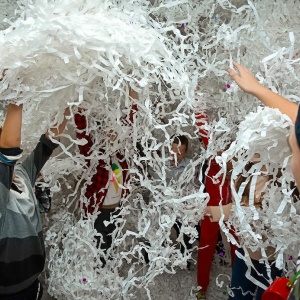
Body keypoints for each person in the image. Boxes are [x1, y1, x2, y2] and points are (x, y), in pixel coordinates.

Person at [227, 61, 300, 299]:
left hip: (272, 259)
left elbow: (281, 223)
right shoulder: (242, 174)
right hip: (246, 255)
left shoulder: (284, 181)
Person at [0, 102, 70, 299]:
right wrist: (17, 101)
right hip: (8, 291)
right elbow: (8, 152)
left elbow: (47, 144)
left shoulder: (22, 173)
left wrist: (68, 104)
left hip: (33, 282)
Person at [74, 88, 138, 265]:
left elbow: (130, 123)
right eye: (109, 132)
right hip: (99, 211)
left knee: (110, 245)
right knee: (96, 247)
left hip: (116, 209)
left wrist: (134, 97)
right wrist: (81, 103)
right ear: (102, 134)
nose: (113, 135)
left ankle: (106, 270)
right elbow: (82, 133)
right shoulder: (95, 158)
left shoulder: (122, 157)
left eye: (115, 132)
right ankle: (96, 273)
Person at [195, 110, 237, 300]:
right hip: (211, 210)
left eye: (227, 142)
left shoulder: (238, 158)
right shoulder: (213, 155)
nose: (224, 147)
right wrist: (196, 96)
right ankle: (201, 287)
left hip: (233, 211)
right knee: (206, 247)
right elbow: (202, 125)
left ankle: (238, 285)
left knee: (238, 248)